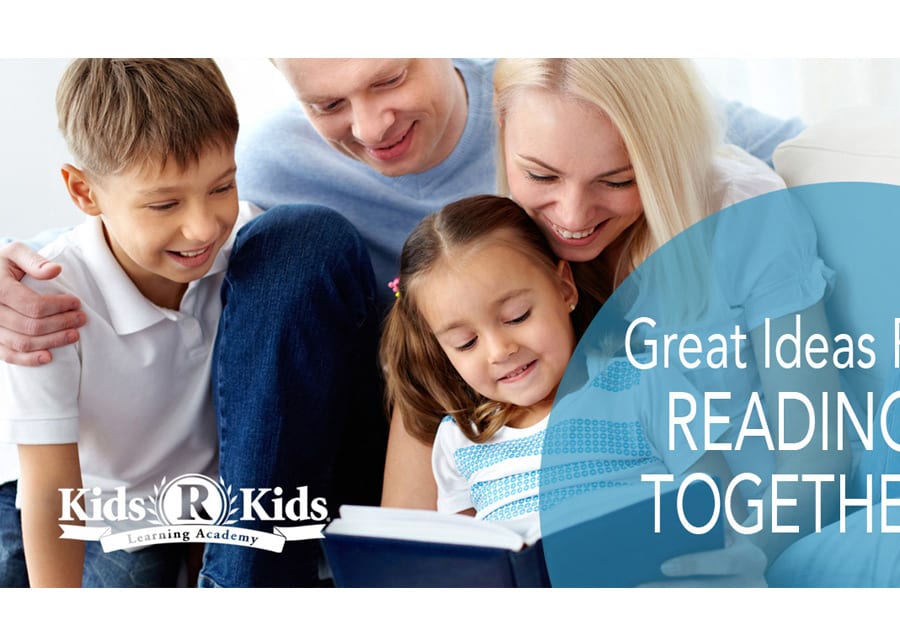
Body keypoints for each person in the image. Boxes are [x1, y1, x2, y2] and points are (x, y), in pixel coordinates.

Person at [0, 58, 807, 587]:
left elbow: (760, 143)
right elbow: (121, 220)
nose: (371, 125)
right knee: (314, 251)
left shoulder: (549, 98)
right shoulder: (274, 160)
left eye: (388, 80)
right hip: (330, 441)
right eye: (329, 103)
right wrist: (22, 271)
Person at [381, 59, 854, 586]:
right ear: (502, 134)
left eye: (617, 180)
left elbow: (819, 454)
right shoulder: (494, 257)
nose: (573, 216)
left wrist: (745, 554)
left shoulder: (744, 215)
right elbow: (407, 531)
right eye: (541, 175)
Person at [0, 58, 259, 587]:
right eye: (164, 204)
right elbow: (50, 487)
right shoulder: (48, 300)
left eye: (221, 187)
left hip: (181, 505)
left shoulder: (249, 240)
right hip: (84, 500)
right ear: (83, 192)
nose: (203, 227)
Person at [379, 195, 583, 538]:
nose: (499, 351)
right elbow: (460, 556)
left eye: (517, 316)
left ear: (564, 289)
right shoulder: (459, 440)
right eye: (466, 343)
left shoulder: (638, 386)